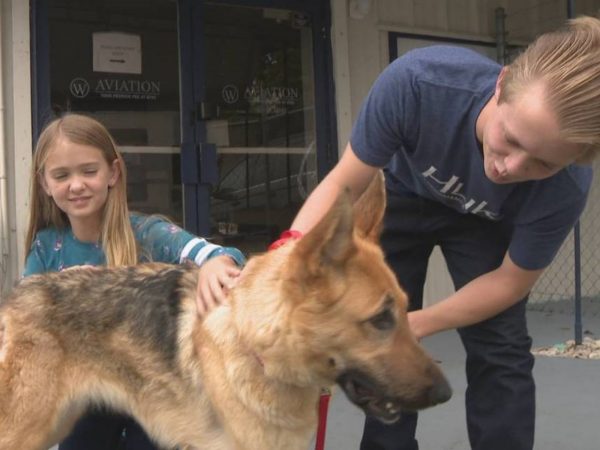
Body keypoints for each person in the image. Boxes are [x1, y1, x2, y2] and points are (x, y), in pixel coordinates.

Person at [280, 16, 600, 450]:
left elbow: (509, 282)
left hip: (486, 219)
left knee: (501, 345)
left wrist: (416, 324)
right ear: (500, 85)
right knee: (377, 330)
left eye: (541, 163)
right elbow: (344, 185)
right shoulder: (419, 84)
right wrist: (288, 255)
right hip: (401, 193)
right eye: (511, 138)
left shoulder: (565, 187)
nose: (510, 167)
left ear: (574, 160)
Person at [23, 113, 245, 450]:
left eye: (89, 171)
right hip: (87, 395)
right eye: (62, 175)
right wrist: (58, 299)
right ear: (45, 183)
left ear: (112, 173)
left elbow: (217, 254)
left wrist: (217, 263)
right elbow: (24, 319)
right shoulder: (45, 247)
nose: (77, 184)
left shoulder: (147, 234)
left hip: (153, 391)